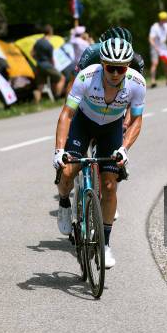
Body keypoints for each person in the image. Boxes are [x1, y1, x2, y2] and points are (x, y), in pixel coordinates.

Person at [53, 38, 146, 269]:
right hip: (83, 123)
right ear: (102, 64)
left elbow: (136, 120)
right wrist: (59, 151)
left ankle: (105, 245)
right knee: (67, 172)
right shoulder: (86, 77)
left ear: (128, 67)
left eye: (121, 68)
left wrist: (124, 148)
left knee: (109, 186)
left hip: (111, 129)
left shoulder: (137, 83)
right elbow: (66, 114)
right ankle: (65, 203)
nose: (115, 73)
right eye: (110, 68)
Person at [31, 24, 66, 103]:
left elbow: (31, 53)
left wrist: (37, 60)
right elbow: (51, 59)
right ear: (50, 32)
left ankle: (36, 104)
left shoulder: (38, 42)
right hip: (47, 65)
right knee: (61, 78)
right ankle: (57, 98)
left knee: (40, 86)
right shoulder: (49, 45)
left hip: (39, 65)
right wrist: (54, 66)